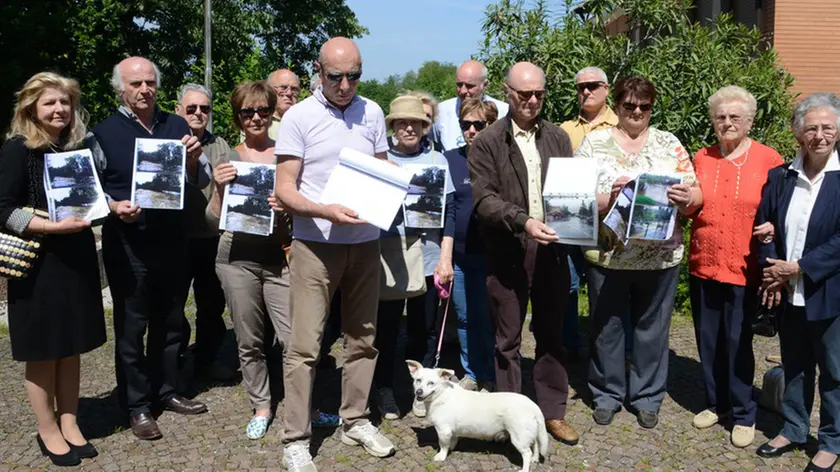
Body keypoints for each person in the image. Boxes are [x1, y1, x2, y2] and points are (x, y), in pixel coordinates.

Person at [274, 37, 395, 471]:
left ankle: (355, 420)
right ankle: (295, 439)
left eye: (354, 76)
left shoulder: (373, 112)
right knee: (305, 346)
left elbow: (381, 168)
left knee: (363, 340)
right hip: (316, 245)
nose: (345, 85)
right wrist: (324, 210)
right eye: (335, 77)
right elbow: (284, 189)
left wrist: (404, 181)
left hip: (364, 243)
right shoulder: (298, 116)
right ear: (318, 70)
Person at [91, 57, 211, 440]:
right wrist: (113, 206)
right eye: (135, 84)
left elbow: (200, 179)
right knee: (132, 327)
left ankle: (166, 390)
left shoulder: (177, 126)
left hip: (172, 240)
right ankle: (137, 406)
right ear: (120, 90)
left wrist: (193, 162)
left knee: (171, 322)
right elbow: (91, 190)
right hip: (128, 243)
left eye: (150, 82)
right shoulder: (102, 133)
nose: (144, 89)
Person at [576, 76, 702, 429]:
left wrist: (687, 198)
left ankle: (647, 396)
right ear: (616, 105)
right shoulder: (593, 143)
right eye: (629, 105)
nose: (636, 112)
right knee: (607, 328)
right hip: (608, 256)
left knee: (652, 330)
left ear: (651, 108)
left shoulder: (669, 143)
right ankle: (607, 394)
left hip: (660, 258)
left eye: (644, 106)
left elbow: (695, 195)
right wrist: (609, 198)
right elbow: (574, 198)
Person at [468, 61, 579, 446]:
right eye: (524, 94)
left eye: (539, 94)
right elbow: (484, 200)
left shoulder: (558, 138)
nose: (532, 101)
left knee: (551, 335)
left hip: (552, 249)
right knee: (507, 340)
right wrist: (523, 221)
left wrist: (588, 208)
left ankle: (552, 412)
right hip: (508, 250)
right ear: (507, 92)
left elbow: (570, 191)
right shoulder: (487, 141)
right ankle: (509, 419)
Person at [0, 72, 107, 467]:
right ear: (31, 108)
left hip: (76, 259)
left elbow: (92, 199)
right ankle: (47, 429)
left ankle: (70, 422)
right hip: (38, 264)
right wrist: (50, 226)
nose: (59, 109)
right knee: (44, 351)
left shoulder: (76, 148)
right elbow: (2, 209)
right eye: (50, 102)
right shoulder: (17, 149)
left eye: (65, 102)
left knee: (71, 345)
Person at [688, 85, 783, 448]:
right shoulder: (702, 157)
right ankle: (717, 403)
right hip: (704, 263)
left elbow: (782, 208)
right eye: (720, 117)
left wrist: (775, 227)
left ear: (750, 121)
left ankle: (744, 412)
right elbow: (692, 206)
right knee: (708, 340)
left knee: (738, 342)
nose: (727, 123)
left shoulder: (769, 159)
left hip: (745, 268)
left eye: (734, 117)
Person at [756, 93, 840, 472]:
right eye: (811, 128)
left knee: (835, 372)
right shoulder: (781, 176)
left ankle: (832, 441)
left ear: (837, 132)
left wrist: (799, 267)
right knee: (795, 365)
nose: (819, 136)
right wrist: (774, 270)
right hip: (789, 293)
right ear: (798, 133)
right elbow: (764, 226)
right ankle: (793, 428)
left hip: (829, 292)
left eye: (827, 128)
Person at [373, 94, 455, 420]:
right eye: (402, 123)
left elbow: (450, 213)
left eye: (416, 123)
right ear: (392, 126)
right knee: (386, 329)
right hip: (389, 256)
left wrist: (445, 258)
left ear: (425, 126)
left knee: (423, 329)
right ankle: (383, 389)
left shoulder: (438, 160)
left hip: (430, 256)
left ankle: (421, 391)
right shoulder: (379, 159)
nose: (409, 128)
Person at [435, 98, 498, 394]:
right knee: (463, 317)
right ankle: (472, 372)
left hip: (491, 256)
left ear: (492, 126)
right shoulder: (448, 159)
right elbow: (446, 209)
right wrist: (445, 257)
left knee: (488, 318)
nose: (471, 130)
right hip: (459, 255)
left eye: (479, 125)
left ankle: (492, 374)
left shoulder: (500, 159)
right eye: (466, 124)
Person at [559, 66, 620, 359]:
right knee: (568, 285)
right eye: (580, 87)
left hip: (609, 222)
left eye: (593, 85)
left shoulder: (622, 126)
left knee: (608, 288)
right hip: (571, 219)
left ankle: (607, 350)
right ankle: (569, 347)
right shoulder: (564, 130)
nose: (586, 91)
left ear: (606, 89)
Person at [174, 83, 233, 381]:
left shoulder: (221, 145)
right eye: (191, 108)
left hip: (212, 239)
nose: (198, 113)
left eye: (204, 108)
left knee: (211, 306)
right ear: (178, 110)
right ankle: (175, 362)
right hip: (176, 239)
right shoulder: (167, 143)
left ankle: (207, 361)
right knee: (173, 307)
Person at [436, 60, 509, 151]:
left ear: (485, 85)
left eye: (469, 86)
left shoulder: (505, 112)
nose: (463, 91)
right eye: (459, 85)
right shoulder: (440, 111)